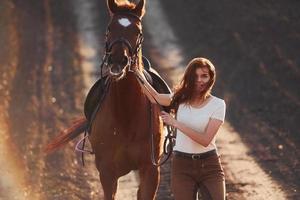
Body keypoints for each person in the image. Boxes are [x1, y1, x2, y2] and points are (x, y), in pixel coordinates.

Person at [134, 57, 226, 200]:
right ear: (189, 78)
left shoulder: (218, 105)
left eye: (204, 76)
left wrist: (176, 123)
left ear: (211, 78)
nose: (200, 80)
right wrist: (137, 73)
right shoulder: (180, 99)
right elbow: (155, 97)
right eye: (195, 76)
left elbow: (205, 140)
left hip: (209, 165)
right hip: (182, 166)